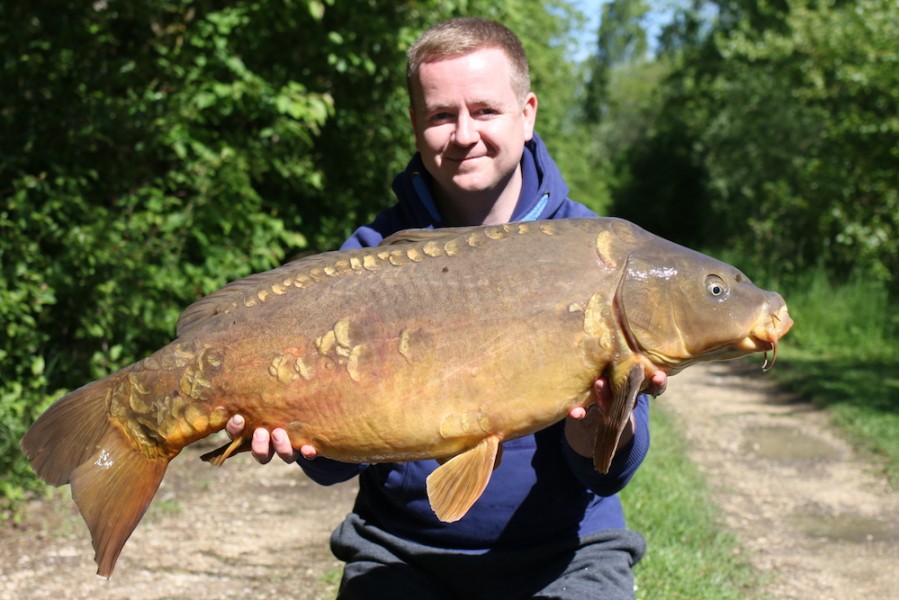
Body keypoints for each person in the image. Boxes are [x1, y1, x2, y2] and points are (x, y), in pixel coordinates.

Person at [227, 17, 666, 599]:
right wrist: (296, 431)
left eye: (484, 110)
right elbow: (334, 466)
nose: (464, 134)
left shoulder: (597, 250)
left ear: (527, 113)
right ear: (415, 124)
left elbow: (611, 474)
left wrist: (596, 435)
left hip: (567, 552)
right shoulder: (368, 261)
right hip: (400, 551)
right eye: (440, 114)